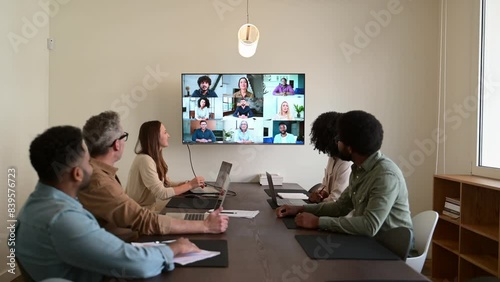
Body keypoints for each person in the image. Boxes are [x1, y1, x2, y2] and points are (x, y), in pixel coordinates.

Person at [16, 125, 200, 281]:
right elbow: (136, 264)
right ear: (77, 174)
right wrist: (172, 248)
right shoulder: (64, 218)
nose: (93, 166)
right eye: (89, 161)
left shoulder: (34, 205)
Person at [78, 111, 228, 239]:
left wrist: (190, 183)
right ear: (117, 144)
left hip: (136, 222)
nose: (168, 135)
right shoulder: (101, 181)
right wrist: (204, 226)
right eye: (124, 137)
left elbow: (166, 184)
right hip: (132, 230)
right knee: (186, 221)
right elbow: (144, 216)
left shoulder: (100, 173)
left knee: (186, 214)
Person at [276, 110, 413, 238]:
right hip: (367, 243)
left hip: (389, 251)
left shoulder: (385, 175)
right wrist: (299, 208)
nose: (336, 143)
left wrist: (317, 222)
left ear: (350, 147)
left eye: (338, 139)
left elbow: (369, 226)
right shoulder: (359, 169)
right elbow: (340, 207)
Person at [126, 121, 206, 211]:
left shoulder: (153, 158)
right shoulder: (145, 160)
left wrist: (187, 183)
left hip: (148, 208)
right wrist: (190, 185)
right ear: (155, 136)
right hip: (139, 212)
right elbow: (162, 193)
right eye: (165, 132)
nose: (168, 135)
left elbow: (166, 183)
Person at [308, 112, 351, 203]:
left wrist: (316, 203)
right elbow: (325, 186)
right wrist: (321, 193)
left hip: (339, 216)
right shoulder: (332, 158)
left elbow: (335, 200)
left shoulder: (346, 163)